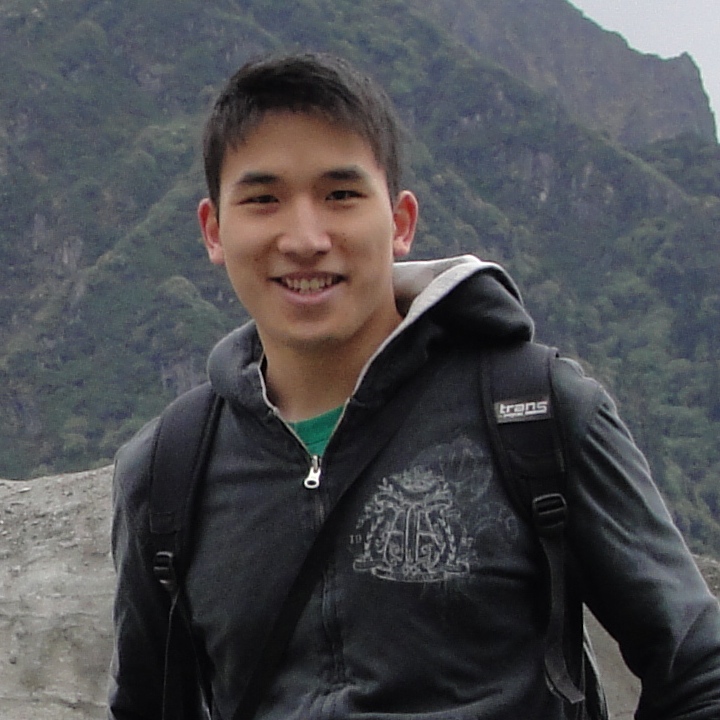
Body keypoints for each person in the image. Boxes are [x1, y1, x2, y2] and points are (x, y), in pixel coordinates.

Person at [108, 51, 720, 720]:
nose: (305, 238)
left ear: (400, 221)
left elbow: (699, 670)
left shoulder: (534, 413)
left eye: (341, 195)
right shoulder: (169, 471)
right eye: (263, 200)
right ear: (214, 230)